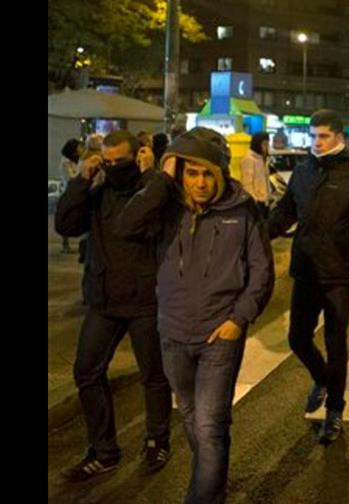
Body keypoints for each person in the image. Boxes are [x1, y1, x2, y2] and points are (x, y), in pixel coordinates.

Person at [116, 127, 275, 503]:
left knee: (208, 424)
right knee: (192, 416)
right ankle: (212, 476)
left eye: (208, 173)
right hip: (172, 331)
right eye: (191, 173)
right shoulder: (165, 208)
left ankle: (203, 496)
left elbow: (261, 271)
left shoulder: (242, 209)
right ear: (180, 173)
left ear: (220, 173)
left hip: (219, 333)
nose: (200, 182)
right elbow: (125, 227)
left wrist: (239, 320)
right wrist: (162, 178)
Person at [55, 130, 172, 482]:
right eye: (106, 161)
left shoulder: (153, 189)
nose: (112, 167)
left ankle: (157, 440)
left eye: (119, 160)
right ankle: (103, 450)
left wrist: (151, 174)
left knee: (153, 375)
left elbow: (154, 212)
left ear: (138, 156)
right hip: (104, 298)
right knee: (86, 371)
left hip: (145, 300)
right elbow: (66, 224)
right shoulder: (98, 189)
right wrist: (80, 180)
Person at [266, 109, 349, 442]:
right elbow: (286, 211)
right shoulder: (304, 171)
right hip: (305, 269)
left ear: (339, 137)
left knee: (336, 344)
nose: (317, 142)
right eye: (313, 135)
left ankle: (335, 410)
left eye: (323, 136)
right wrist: (262, 234)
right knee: (297, 338)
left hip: (338, 275)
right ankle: (321, 379)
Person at [58, 138, 84, 253]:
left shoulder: (76, 160)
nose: (81, 149)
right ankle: (65, 244)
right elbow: (70, 178)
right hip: (67, 193)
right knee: (66, 217)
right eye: (79, 147)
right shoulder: (65, 162)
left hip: (75, 191)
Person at [240, 131, 273, 217]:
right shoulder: (249, 159)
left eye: (267, 144)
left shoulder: (263, 159)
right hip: (257, 202)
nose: (266, 147)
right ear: (257, 144)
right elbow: (247, 184)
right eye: (264, 144)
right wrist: (254, 200)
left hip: (265, 200)